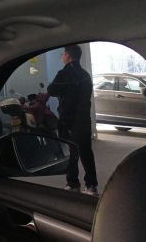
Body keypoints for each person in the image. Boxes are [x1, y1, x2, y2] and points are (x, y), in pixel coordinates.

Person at [48, 44, 98, 195]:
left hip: (69, 120)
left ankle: (73, 184)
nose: (62, 56)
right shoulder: (85, 74)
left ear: (68, 56)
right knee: (86, 152)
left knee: (71, 153)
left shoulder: (64, 73)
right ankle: (91, 186)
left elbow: (51, 90)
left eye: (63, 54)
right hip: (84, 119)